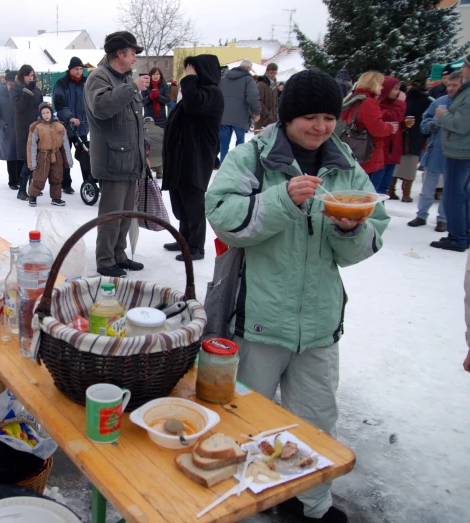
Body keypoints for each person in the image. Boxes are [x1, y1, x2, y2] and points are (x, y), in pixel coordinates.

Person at [206, 69, 390, 523]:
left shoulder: (344, 168)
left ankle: (311, 504)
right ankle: (244, 501)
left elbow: (370, 234)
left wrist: (352, 227)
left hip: (320, 324)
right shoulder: (253, 160)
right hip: (259, 320)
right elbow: (223, 216)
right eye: (310, 116)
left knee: (317, 422)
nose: (321, 126)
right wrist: (283, 201)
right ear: (287, 118)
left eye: (328, 116)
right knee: (247, 421)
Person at [85, 31, 149, 277]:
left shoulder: (124, 79)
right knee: (111, 216)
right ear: (120, 54)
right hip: (113, 160)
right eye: (132, 53)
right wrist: (132, 87)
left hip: (131, 160)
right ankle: (105, 260)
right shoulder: (99, 78)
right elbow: (102, 108)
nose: (134, 59)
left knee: (126, 216)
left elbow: (133, 120)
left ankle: (119, 255)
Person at [162, 55, 224, 262]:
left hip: (196, 155)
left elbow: (192, 105)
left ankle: (196, 246)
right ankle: (184, 239)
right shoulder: (199, 91)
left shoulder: (212, 93)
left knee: (193, 200)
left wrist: (189, 80)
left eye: (192, 69)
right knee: (180, 198)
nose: (188, 73)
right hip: (183, 155)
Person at [408, 72, 463, 232]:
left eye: (455, 85)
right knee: (427, 188)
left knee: (449, 190)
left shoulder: (465, 105)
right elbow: (425, 120)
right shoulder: (439, 102)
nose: (451, 88)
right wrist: (430, 124)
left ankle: (443, 219)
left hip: (456, 153)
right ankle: (421, 215)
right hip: (436, 152)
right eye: (449, 85)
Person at [431, 55, 470, 252]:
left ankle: (457, 237)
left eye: (465, 66)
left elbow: (461, 125)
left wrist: (443, 115)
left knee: (454, 196)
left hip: (460, 152)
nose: (463, 69)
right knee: (463, 194)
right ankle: (463, 233)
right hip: (462, 150)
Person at [340, 71, 397, 179]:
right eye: (380, 84)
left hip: (352, 147)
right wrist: (390, 128)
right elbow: (377, 129)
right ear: (374, 84)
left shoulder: (354, 98)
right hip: (365, 151)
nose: (381, 88)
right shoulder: (368, 102)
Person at [53, 56, 89, 195]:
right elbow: (59, 103)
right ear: (70, 69)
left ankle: (88, 181)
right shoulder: (62, 83)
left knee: (85, 155)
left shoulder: (86, 83)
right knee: (66, 156)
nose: (79, 71)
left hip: (83, 126)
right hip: (66, 126)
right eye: (76, 69)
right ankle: (66, 183)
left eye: (81, 69)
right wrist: (69, 117)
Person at [389, 82, 431, 201]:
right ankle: (406, 194)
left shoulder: (402, 100)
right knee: (411, 165)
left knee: (396, 164)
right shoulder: (427, 101)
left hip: (400, 134)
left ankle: (390, 189)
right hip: (417, 136)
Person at [26, 102, 72, 207]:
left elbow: (65, 145)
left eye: (48, 112)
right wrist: (32, 162)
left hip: (57, 155)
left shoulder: (60, 126)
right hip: (43, 156)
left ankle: (56, 198)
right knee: (39, 177)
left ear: (51, 113)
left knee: (57, 177)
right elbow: (31, 146)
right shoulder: (36, 127)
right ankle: (32, 196)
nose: (46, 115)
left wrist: (68, 160)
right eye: (43, 113)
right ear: (40, 115)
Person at [11, 64, 44, 201]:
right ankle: (22, 189)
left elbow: (39, 103)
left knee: (35, 157)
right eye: (28, 75)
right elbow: (18, 107)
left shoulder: (35, 88)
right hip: (24, 128)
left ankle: (33, 186)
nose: (31, 78)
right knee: (27, 158)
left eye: (32, 75)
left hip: (36, 126)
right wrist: (26, 92)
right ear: (22, 75)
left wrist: (34, 90)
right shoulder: (15, 89)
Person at [219, 59, 261, 163]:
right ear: (248, 68)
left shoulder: (224, 78)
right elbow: (252, 97)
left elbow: (218, 94)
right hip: (240, 116)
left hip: (224, 115)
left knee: (224, 144)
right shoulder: (248, 79)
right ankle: (237, 165)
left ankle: (223, 165)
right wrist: (256, 112)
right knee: (240, 144)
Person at [373, 76, 407, 194]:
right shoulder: (378, 105)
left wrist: (403, 125)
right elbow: (389, 117)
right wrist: (400, 103)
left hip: (391, 154)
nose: (398, 92)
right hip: (381, 154)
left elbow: (394, 124)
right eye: (394, 89)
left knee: (383, 189)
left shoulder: (394, 105)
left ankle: (380, 212)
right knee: (374, 190)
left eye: (398, 88)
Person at [0, 70, 20, 190]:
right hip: (8, 131)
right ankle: (13, 181)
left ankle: (21, 179)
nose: (12, 87)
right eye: (10, 84)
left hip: (21, 130)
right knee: (11, 156)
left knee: (22, 156)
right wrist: (2, 124)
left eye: (15, 84)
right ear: (6, 83)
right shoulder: (0, 97)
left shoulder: (21, 95)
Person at [255, 63, 278, 130]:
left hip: (272, 118)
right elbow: (258, 101)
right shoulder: (261, 84)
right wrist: (267, 114)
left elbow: (275, 101)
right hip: (262, 118)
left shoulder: (274, 84)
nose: (273, 75)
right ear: (267, 72)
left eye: (275, 73)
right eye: (271, 73)